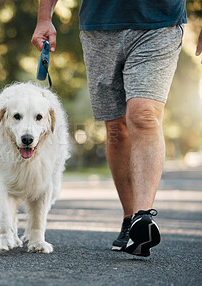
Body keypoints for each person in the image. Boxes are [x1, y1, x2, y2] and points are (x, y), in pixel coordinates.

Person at [32, 0, 202, 257]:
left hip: (160, 23)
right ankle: (129, 217)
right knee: (115, 127)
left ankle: (142, 217)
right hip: (99, 26)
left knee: (144, 114)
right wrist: (45, 17)